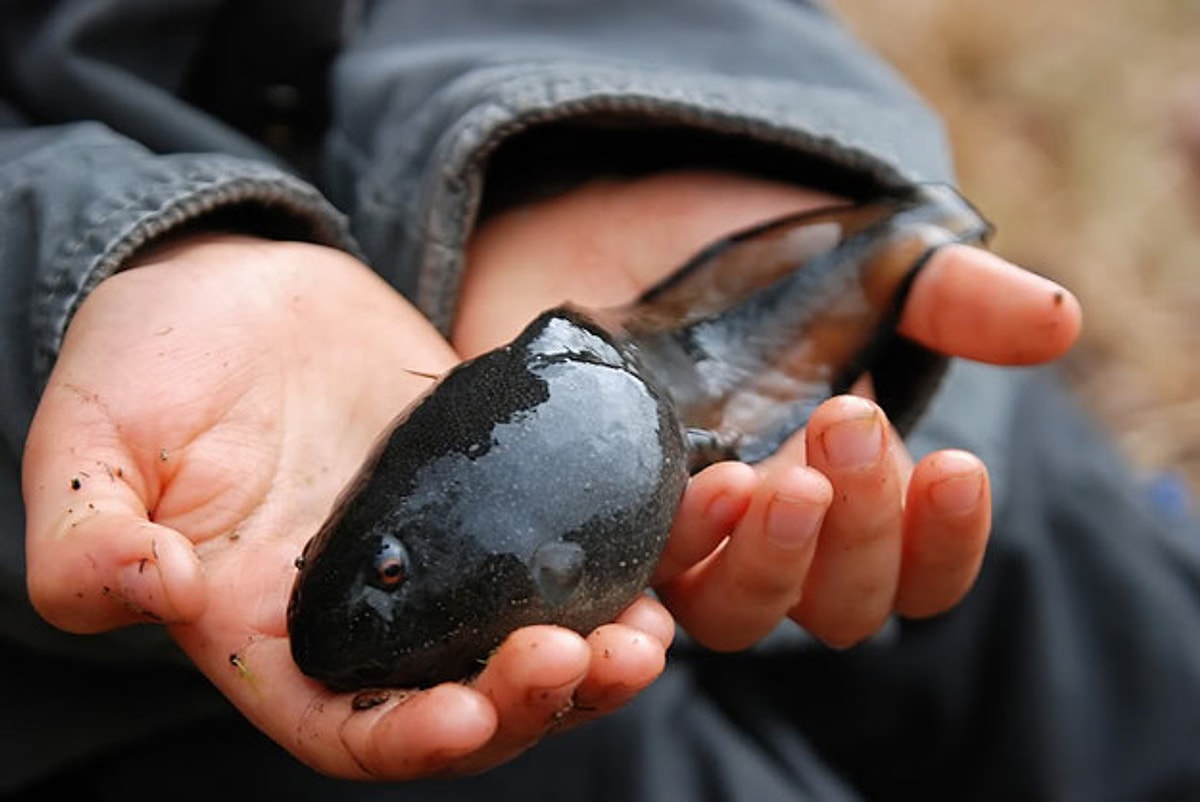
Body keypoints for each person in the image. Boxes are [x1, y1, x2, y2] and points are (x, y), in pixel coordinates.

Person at [0, 1, 1196, 799]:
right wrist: (106, 255)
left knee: (1111, 619)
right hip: (132, 668)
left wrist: (615, 125)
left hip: (566, 197)